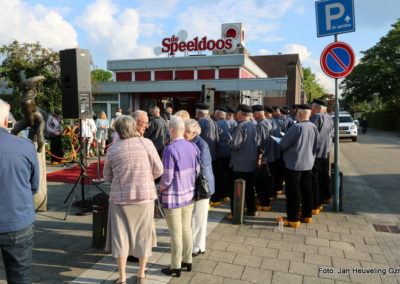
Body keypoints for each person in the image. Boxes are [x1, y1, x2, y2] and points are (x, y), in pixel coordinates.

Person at [104, 115, 163, 284]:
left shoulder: (112, 149)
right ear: (134, 127)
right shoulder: (147, 144)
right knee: (143, 236)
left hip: (120, 199)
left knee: (120, 238)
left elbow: (107, 176)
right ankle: (141, 274)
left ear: (117, 130)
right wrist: (145, 177)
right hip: (144, 198)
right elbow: (159, 169)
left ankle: (122, 277)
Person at [0, 99, 39, 283]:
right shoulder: (24, 146)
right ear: (6, 121)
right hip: (17, 221)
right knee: (20, 276)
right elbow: (34, 186)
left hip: (17, 221)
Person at [159, 116, 200, 277]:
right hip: (189, 194)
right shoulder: (193, 147)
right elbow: (197, 171)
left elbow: (167, 178)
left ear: (171, 129)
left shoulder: (170, 149)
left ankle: (175, 265)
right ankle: (187, 260)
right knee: (186, 229)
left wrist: (160, 189)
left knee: (176, 232)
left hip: (173, 196)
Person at [278, 104, 319, 228]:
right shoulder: (314, 127)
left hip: (294, 164)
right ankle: (307, 215)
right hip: (308, 163)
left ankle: (293, 219)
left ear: (299, 113)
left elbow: (283, 144)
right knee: (307, 190)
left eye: (296, 112)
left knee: (293, 192)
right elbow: (316, 145)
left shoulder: (296, 127)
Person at [183, 119, 214, 257]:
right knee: (195, 216)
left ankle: (198, 247)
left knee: (199, 217)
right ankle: (196, 244)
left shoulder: (201, 144)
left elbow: (202, 165)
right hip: (196, 184)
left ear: (195, 132)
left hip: (202, 185)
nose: (184, 134)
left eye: (187, 132)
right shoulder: (190, 142)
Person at [228, 104, 258, 218]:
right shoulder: (253, 125)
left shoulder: (241, 126)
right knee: (249, 188)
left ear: (240, 113)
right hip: (250, 162)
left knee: (235, 189)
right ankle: (252, 209)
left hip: (239, 163)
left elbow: (236, 144)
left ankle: (235, 213)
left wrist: (229, 142)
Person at [310, 99, 334, 209]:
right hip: (326, 151)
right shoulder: (329, 117)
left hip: (316, 153)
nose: (311, 109)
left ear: (317, 108)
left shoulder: (316, 117)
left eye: (312, 107)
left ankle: (316, 204)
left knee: (315, 179)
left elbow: (310, 133)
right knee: (324, 175)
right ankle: (326, 197)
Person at [252, 105, 274, 211]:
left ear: (257, 113)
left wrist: (259, 157)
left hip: (263, 158)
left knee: (261, 183)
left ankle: (264, 203)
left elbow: (262, 143)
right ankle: (265, 201)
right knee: (265, 182)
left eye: (253, 114)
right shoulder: (268, 122)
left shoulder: (261, 125)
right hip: (269, 156)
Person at [211, 107, 231, 205]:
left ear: (218, 115)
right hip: (229, 152)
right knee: (227, 175)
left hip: (219, 153)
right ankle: (226, 194)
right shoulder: (230, 123)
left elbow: (214, 138)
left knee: (218, 175)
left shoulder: (216, 124)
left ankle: (217, 197)